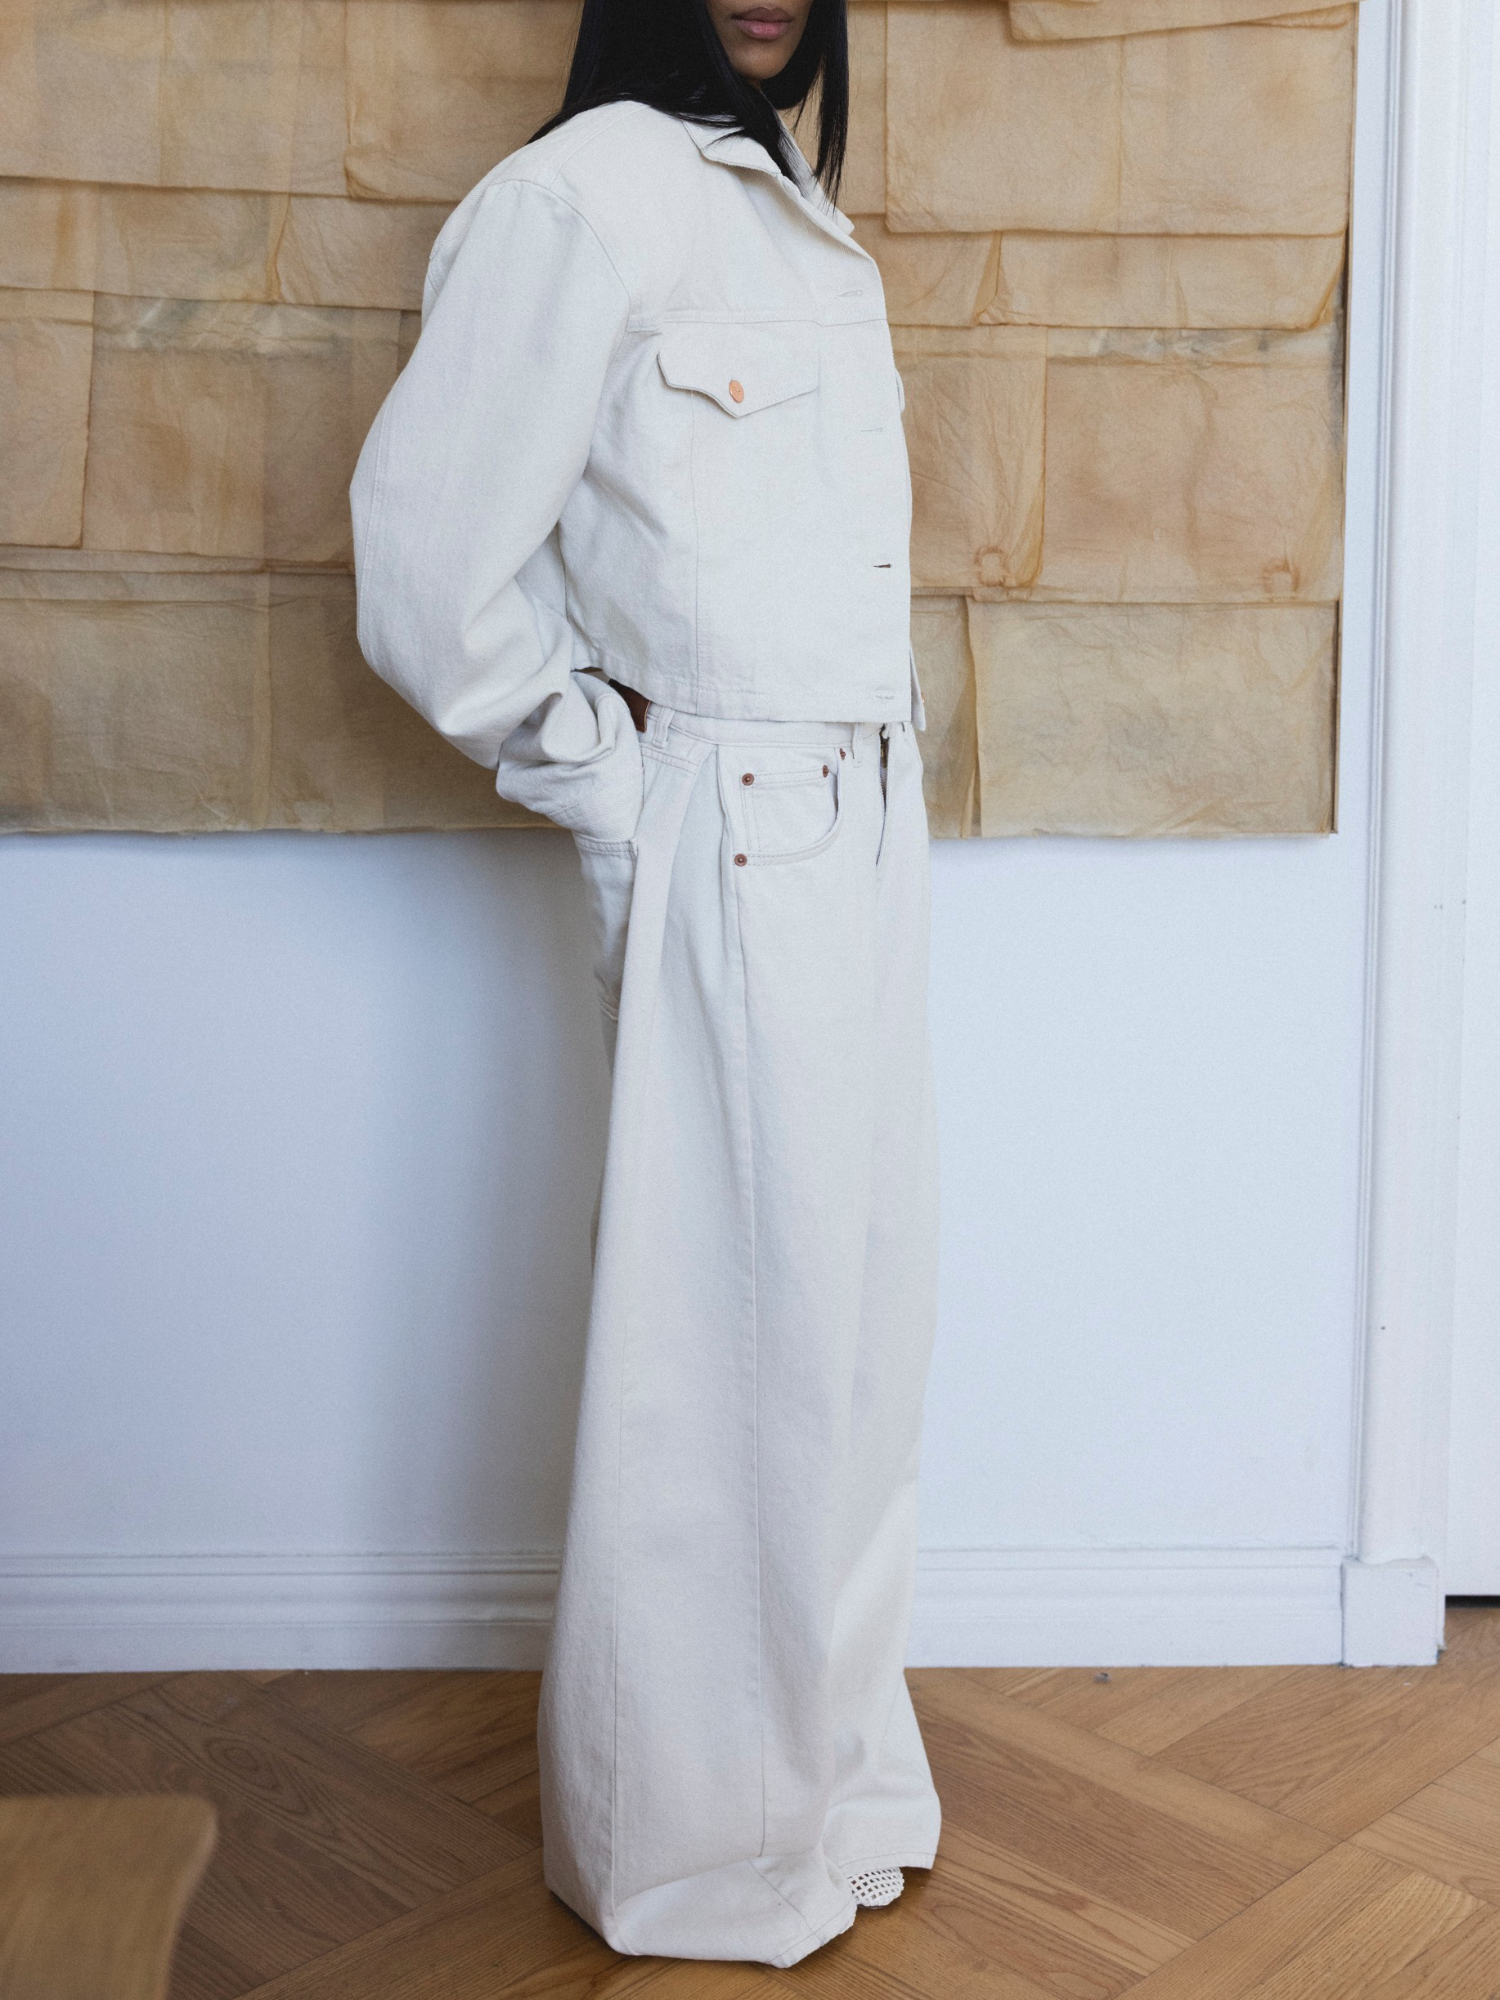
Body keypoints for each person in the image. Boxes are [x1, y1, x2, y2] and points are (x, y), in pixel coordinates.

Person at [349, 0, 940, 1965]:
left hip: (864, 815)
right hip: (733, 825)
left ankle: (828, 1781)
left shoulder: (790, 208)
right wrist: (612, 784)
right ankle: (688, 1843)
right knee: (722, 1356)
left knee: (855, 1329)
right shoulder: (580, 200)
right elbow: (428, 567)